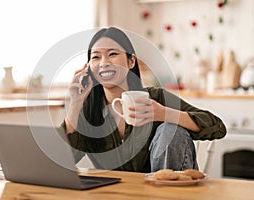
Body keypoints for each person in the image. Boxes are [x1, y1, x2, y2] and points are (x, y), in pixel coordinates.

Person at [61, 27, 226, 173]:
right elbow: (61, 160)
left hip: (165, 192)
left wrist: (163, 113)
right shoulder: (89, 111)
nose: (104, 63)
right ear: (88, 67)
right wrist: (75, 104)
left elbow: (218, 127)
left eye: (112, 54)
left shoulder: (156, 98)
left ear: (131, 61)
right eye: (96, 57)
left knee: (171, 129)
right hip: (115, 195)